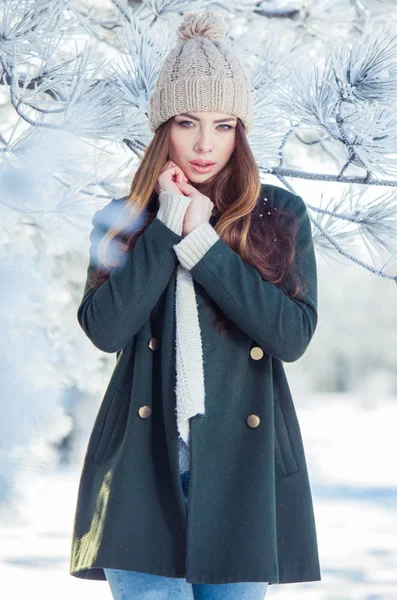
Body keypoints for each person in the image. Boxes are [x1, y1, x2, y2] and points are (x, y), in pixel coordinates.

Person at [69, 9, 321, 600]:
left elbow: (291, 336)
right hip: (140, 473)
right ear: (164, 126)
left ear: (241, 130)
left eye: (224, 124)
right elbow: (105, 330)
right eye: (187, 122)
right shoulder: (123, 221)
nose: (206, 144)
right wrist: (165, 229)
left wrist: (205, 245)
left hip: (241, 473)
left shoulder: (279, 216)